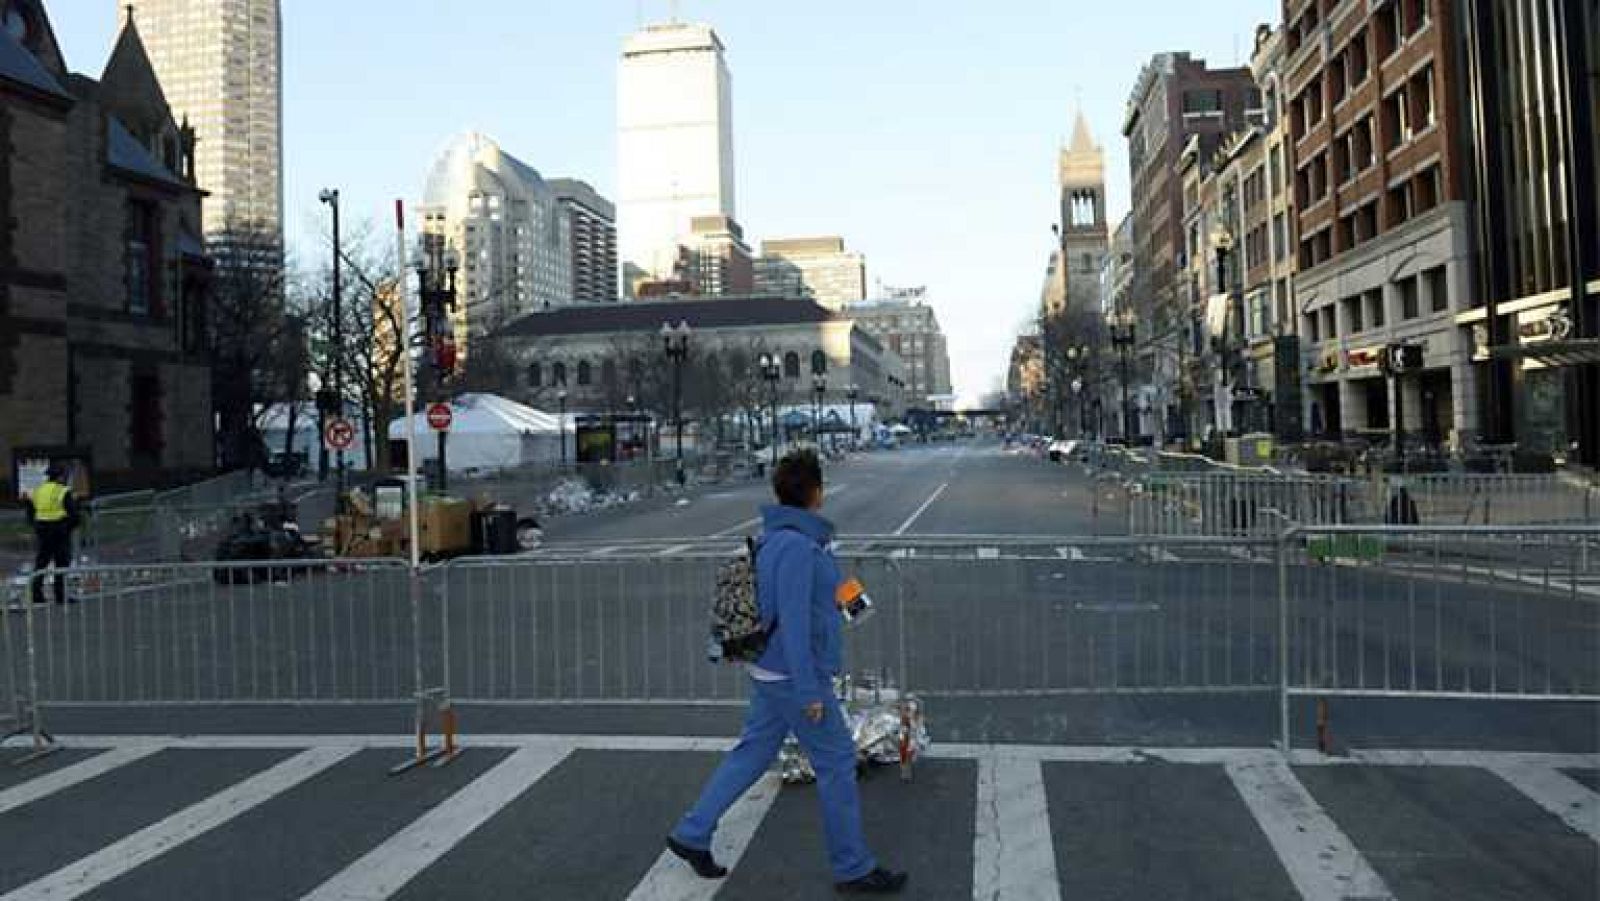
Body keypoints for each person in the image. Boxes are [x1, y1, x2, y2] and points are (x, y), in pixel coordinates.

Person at [666, 449, 908, 895]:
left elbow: (823, 593)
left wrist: (855, 605)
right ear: (816, 491)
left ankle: (692, 833)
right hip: (793, 676)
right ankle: (853, 867)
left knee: (753, 753)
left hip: (769, 671)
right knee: (836, 762)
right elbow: (795, 622)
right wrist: (809, 691)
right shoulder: (798, 546)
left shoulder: (784, 539)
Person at [23, 462, 79, 605]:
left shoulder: (38, 491)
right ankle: (60, 596)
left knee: (41, 563)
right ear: (60, 477)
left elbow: (30, 512)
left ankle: (36, 595)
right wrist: (67, 528)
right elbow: (74, 516)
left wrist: (36, 525)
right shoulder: (63, 491)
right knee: (61, 564)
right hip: (60, 530)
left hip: (42, 530)